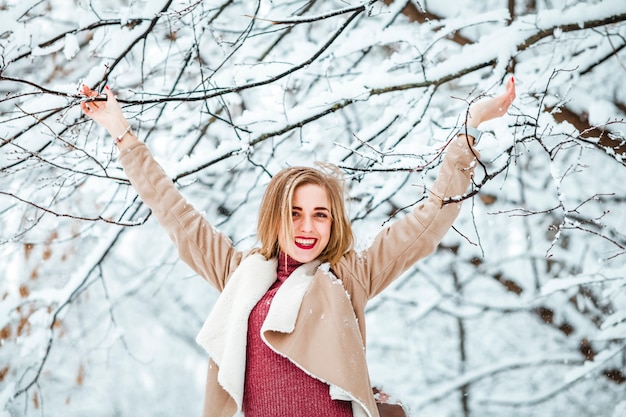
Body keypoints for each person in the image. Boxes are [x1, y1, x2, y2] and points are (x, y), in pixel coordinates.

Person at [79, 77, 516, 417]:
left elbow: (431, 218)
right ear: (275, 217)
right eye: (294, 212)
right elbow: (174, 212)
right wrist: (121, 134)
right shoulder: (241, 276)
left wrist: (470, 130)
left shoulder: (351, 276)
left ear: (334, 222)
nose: (307, 226)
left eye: (320, 214)